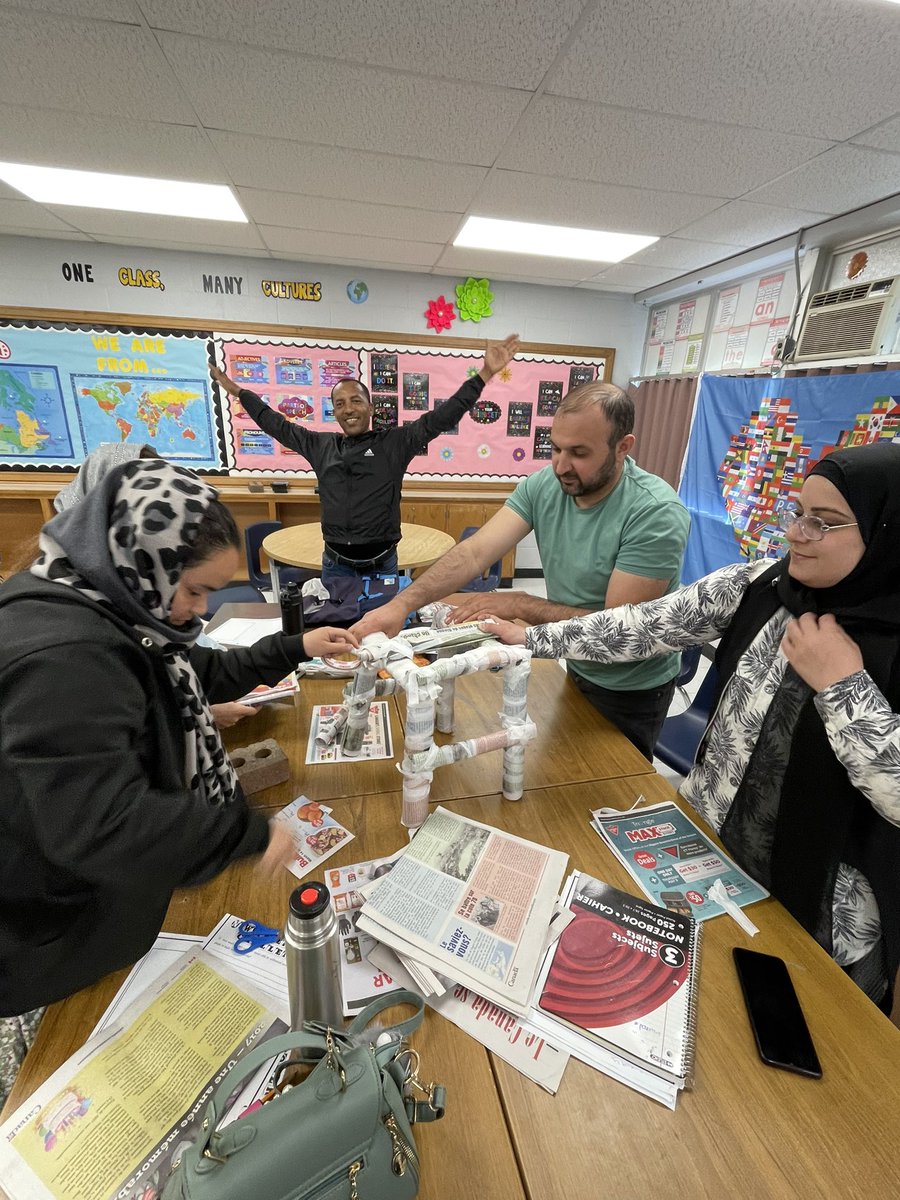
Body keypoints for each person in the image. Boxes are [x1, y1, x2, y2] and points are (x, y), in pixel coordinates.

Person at [485, 442, 900, 1010]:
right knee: (690, 1004)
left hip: (826, 906)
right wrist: (531, 638)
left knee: (793, 1036)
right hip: (710, 851)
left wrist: (843, 685)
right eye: (797, 513)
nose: (797, 534)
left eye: (823, 524)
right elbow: (644, 626)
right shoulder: (764, 584)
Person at [0, 457, 358, 1020]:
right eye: (194, 591)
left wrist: (297, 648)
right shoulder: (67, 661)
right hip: (47, 930)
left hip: (90, 902)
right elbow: (100, 823)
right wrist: (245, 833)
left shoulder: (112, 603)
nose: (198, 611)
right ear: (147, 562)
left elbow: (200, 670)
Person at [354, 381, 691, 758]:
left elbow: (613, 630)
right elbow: (474, 553)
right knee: (563, 770)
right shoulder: (544, 485)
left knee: (608, 785)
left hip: (631, 686)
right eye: (556, 448)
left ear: (623, 447)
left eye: (579, 453)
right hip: (576, 665)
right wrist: (401, 604)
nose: (562, 465)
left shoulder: (655, 513)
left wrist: (521, 604)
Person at [209, 334, 520, 584]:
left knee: (381, 642)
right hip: (335, 565)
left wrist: (485, 374)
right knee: (339, 639)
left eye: (356, 400)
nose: (349, 409)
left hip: (382, 565)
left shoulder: (395, 443)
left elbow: (443, 416)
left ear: (371, 408)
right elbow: (274, 423)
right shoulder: (320, 445)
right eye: (340, 403)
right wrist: (239, 392)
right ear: (335, 412)